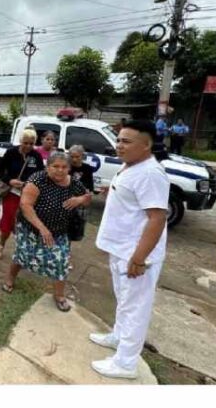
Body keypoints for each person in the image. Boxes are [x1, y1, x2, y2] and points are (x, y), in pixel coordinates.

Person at [89, 119, 169, 380]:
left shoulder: (150, 173)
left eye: (126, 141)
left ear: (146, 145)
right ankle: (118, 337)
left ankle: (125, 363)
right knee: (124, 299)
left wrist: (139, 258)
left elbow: (157, 218)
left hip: (135, 254)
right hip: (121, 248)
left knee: (136, 307)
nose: (119, 145)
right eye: (119, 140)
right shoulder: (132, 166)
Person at [2, 152, 91, 311]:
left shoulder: (74, 183)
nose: (60, 170)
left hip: (59, 231)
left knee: (61, 261)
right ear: (47, 167)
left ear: (69, 168)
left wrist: (80, 199)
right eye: (55, 166)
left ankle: (59, 295)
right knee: (23, 255)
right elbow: (26, 206)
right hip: (31, 228)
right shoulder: (37, 180)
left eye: (64, 167)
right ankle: (10, 278)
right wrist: (42, 228)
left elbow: (87, 197)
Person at [0, 129, 44, 261]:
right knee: (8, 219)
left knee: (25, 222)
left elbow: (40, 176)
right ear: (20, 141)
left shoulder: (36, 156)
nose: (28, 146)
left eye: (31, 143)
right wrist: (10, 180)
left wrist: (30, 184)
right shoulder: (11, 153)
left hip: (29, 195)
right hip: (12, 193)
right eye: (25, 143)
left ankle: (21, 248)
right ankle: (1, 245)